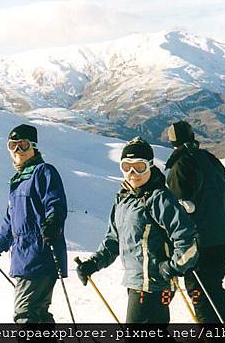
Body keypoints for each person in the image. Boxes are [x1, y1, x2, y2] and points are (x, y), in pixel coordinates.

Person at [75, 137, 198, 324]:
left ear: (150, 166)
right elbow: (113, 240)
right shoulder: (123, 200)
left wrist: (173, 267)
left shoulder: (160, 199)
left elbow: (188, 241)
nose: (133, 173)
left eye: (139, 167)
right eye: (126, 167)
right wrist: (93, 263)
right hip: (137, 282)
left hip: (156, 286)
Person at [0, 124, 68, 323]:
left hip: (40, 253)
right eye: (13, 146)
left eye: (23, 145)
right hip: (23, 258)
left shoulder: (43, 172)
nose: (18, 151)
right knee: (37, 315)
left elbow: (56, 203)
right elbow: (10, 224)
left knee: (25, 315)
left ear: (34, 147)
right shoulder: (18, 181)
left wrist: (53, 224)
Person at [165, 121, 225, 324]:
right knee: (215, 288)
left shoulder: (180, 165)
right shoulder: (211, 160)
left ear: (172, 141)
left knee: (200, 292)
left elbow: (176, 209)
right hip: (222, 237)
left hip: (199, 242)